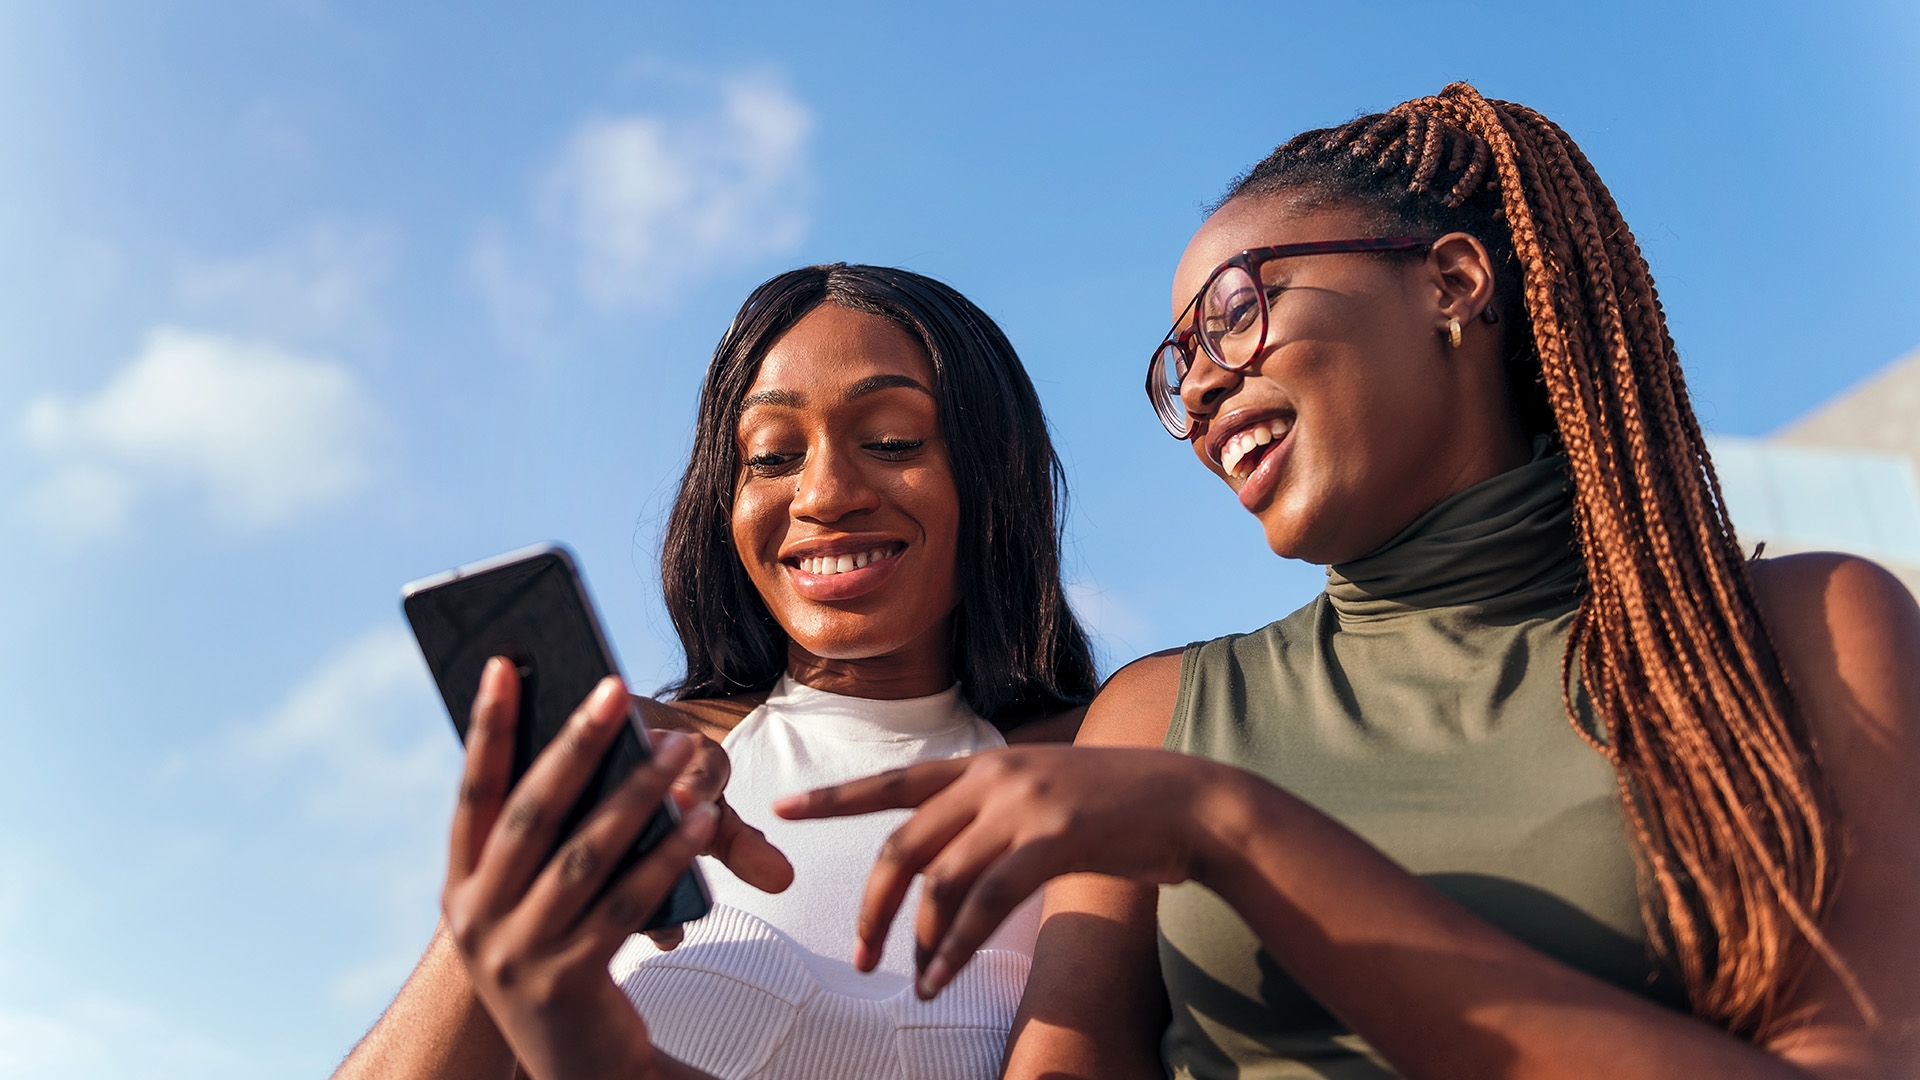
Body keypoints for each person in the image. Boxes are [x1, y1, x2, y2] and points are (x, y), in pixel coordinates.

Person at [777, 85, 1920, 1078]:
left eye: (1235, 314)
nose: (1206, 394)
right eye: (1181, 368)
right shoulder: (1158, 714)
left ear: (1453, 284)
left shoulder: (1805, 632)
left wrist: (1232, 832)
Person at [332, 264, 1099, 1080]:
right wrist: (494, 916)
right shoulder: (643, 767)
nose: (825, 494)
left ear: (996, 471)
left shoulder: (1099, 765)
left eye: (892, 442)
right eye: (771, 455)